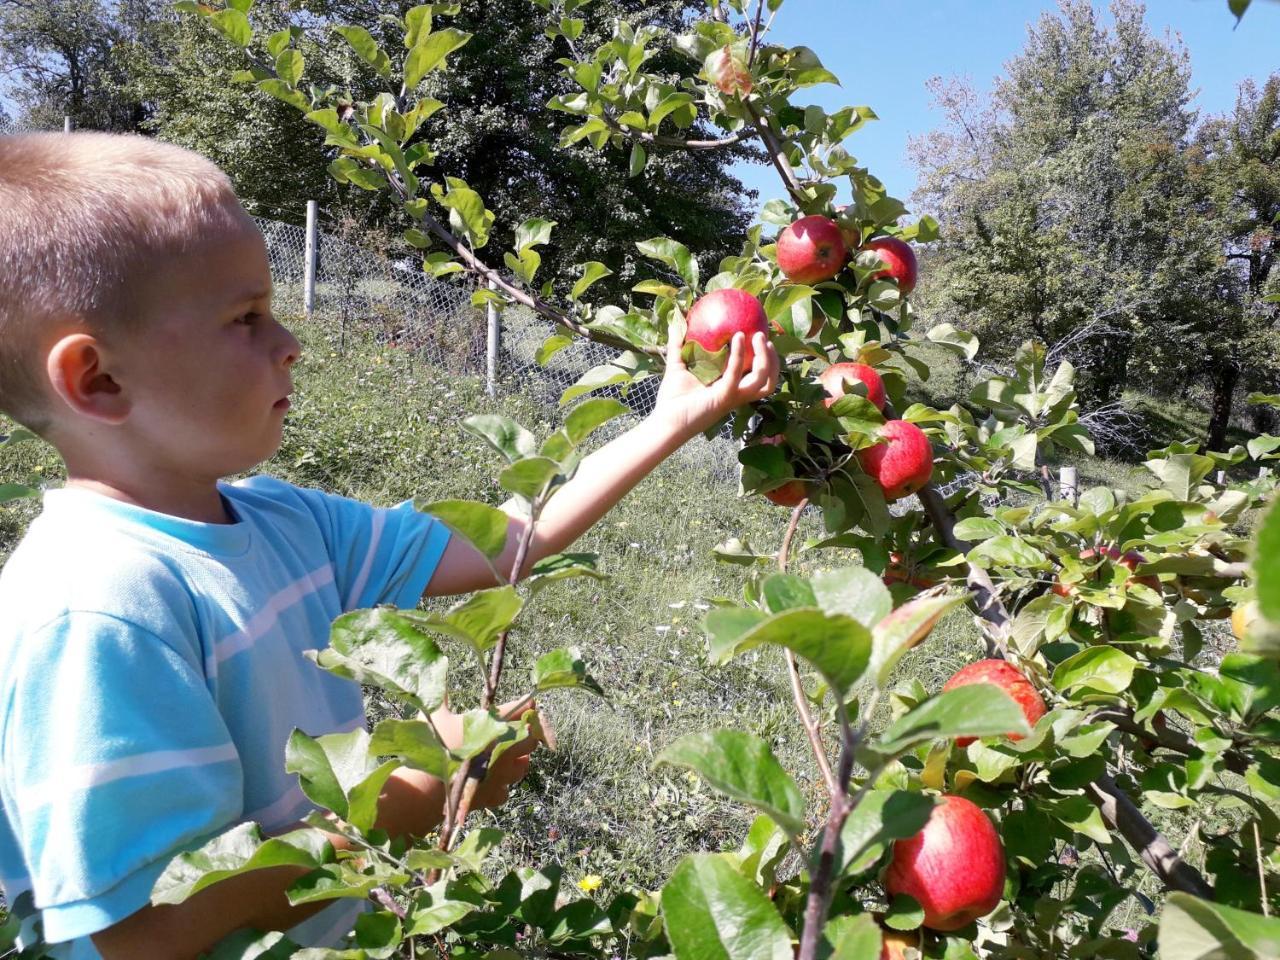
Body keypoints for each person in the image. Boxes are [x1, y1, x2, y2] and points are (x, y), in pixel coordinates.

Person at [0, 131, 780, 959]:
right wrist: (416, 794)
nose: (289, 342)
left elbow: (510, 542)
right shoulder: (98, 610)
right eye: (246, 318)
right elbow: (128, 937)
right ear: (99, 380)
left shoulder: (283, 523)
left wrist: (670, 423)